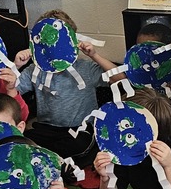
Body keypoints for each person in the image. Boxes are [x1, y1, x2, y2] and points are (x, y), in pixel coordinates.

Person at [12, 10, 122, 163]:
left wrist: (94, 55)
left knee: (78, 146)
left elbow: (120, 79)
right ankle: (54, 162)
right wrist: (16, 66)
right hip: (46, 129)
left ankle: (52, 161)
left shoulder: (85, 68)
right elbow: (9, 92)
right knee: (20, 141)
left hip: (79, 129)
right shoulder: (35, 70)